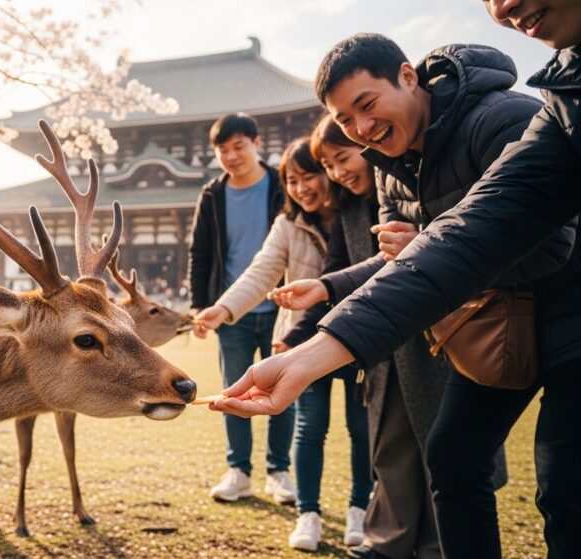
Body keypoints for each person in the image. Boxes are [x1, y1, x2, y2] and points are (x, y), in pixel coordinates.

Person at [212, 19, 581, 558]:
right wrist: (316, 327)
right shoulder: (389, 166)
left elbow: (545, 244)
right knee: (452, 459)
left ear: (408, 77)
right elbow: (401, 265)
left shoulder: (505, 117)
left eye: (367, 103)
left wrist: (424, 239)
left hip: (567, 312)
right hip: (493, 321)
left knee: (563, 484)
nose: (361, 126)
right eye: (344, 119)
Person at [278, 116, 450, 559]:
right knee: (388, 447)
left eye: (341, 159)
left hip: (429, 339)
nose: (337, 173)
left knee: (439, 448)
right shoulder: (349, 209)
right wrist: (298, 337)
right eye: (329, 165)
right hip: (380, 346)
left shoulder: (406, 191)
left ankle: (435, 546)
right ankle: (388, 541)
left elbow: (395, 265)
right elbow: (332, 277)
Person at [194, 138, 371, 551]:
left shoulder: (357, 215)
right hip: (301, 342)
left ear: (328, 172)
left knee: (363, 430)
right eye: (291, 181)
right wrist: (222, 308)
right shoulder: (288, 224)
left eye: (308, 176)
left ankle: (360, 510)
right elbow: (261, 273)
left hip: (364, 335)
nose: (300, 188)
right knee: (310, 428)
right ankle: (307, 513)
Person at [187, 113, 296, 504]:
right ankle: (238, 471)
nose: (231, 156)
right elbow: (199, 252)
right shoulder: (212, 195)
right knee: (233, 393)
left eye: (238, 146)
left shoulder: (282, 185)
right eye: (223, 150)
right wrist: (201, 303)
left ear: (257, 143)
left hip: (282, 310)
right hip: (229, 312)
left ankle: (279, 471)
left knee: (284, 390)